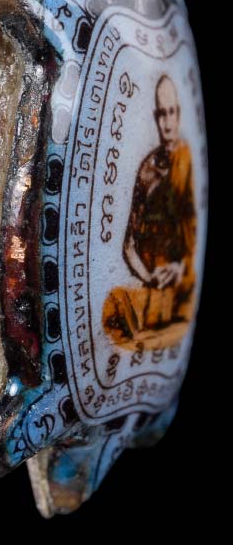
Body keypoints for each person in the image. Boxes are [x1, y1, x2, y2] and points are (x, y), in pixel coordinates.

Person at [102, 75, 196, 345]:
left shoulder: (186, 160)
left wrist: (178, 268)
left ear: (179, 114)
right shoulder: (147, 170)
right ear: (156, 117)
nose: (168, 121)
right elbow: (129, 245)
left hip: (180, 281)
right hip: (153, 282)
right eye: (162, 114)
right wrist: (149, 277)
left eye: (172, 112)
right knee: (115, 305)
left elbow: (191, 234)